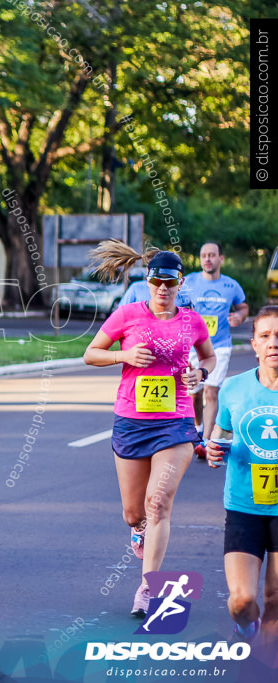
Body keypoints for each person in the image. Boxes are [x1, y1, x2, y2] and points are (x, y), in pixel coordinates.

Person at [83, 247, 216, 616]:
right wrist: (121, 356)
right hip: (132, 420)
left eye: (169, 282)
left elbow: (208, 357)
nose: (161, 287)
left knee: (157, 504)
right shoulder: (127, 314)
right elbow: (90, 353)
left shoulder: (192, 321)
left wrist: (200, 375)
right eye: (156, 280)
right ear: (148, 280)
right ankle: (138, 529)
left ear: (180, 283)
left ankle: (147, 588)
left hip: (175, 422)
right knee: (133, 512)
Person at [206, 306, 278, 646]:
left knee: (275, 601)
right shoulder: (233, 388)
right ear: (254, 344)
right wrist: (213, 450)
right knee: (242, 601)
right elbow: (220, 436)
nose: (273, 343)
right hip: (244, 507)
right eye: (265, 336)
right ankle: (246, 628)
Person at [183, 242, 249, 458]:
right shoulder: (189, 282)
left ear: (221, 258)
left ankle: (206, 440)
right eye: (203, 255)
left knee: (211, 391)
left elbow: (243, 306)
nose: (207, 259)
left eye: (212, 255)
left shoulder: (231, 286)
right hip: (194, 345)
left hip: (219, 346)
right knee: (195, 393)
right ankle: (199, 427)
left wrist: (239, 316)